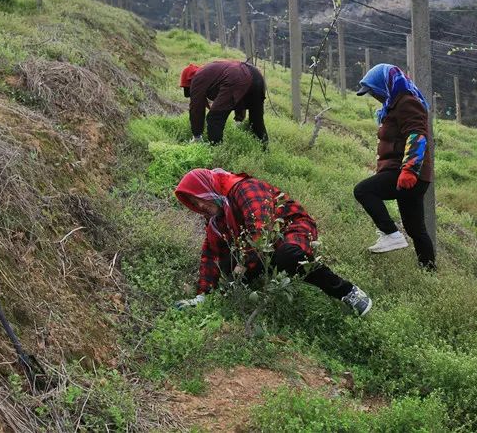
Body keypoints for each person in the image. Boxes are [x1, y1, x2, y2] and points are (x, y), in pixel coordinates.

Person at [173, 168, 373, 316]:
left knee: (289, 256)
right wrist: (203, 294)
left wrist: (243, 266)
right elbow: (211, 254)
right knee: (226, 263)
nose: (199, 205)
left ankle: (348, 292)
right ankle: (223, 297)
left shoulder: (244, 189)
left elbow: (261, 230)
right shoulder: (217, 216)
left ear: (207, 188)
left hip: (290, 228)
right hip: (261, 246)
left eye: (199, 198)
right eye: (194, 203)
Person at [353, 64, 436, 270]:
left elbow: (417, 134)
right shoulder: (392, 105)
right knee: (416, 229)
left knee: (363, 190)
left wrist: (409, 169)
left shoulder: (407, 102)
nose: (374, 97)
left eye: (374, 92)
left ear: (384, 85)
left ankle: (390, 234)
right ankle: (429, 272)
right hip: (403, 172)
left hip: (406, 172)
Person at [179, 60, 267, 146]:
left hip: (238, 76)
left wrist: (197, 135)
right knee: (256, 120)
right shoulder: (211, 71)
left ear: (189, 81)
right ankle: (265, 149)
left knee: (214, 118)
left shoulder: (197, 77)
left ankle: (215, 149)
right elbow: (239, 91)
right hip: (256, 75)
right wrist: (239, 119)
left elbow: (196, 108)